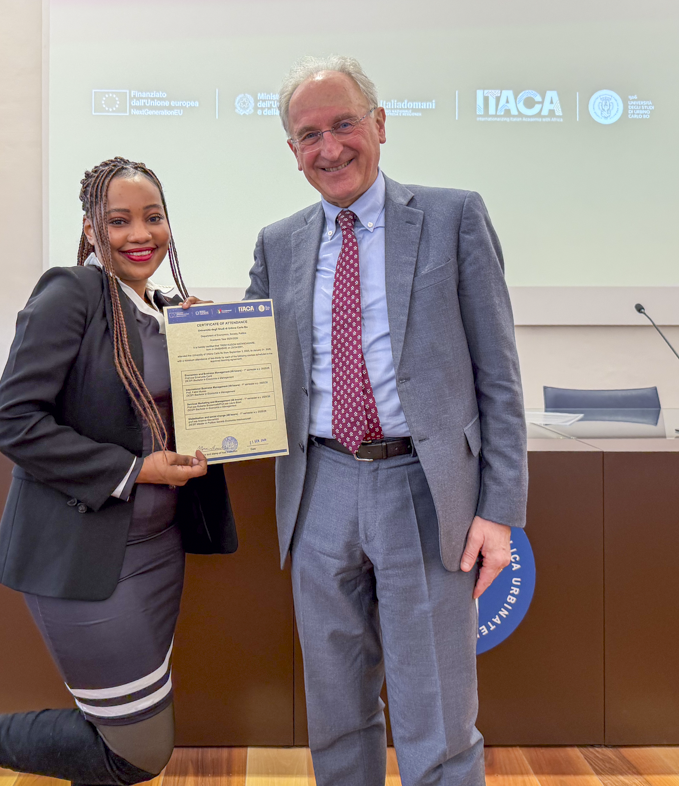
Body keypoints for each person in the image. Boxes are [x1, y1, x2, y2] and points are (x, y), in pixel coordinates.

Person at [0, 156, 236, 786]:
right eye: (119, 221)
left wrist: (204, 343)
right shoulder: (70, 293)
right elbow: (13, 421)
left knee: (115, 729)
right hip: (87, 561)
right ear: (91, 229)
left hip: (160, 551)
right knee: (138, 749)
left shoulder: (159, 309)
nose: (140, 234)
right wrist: (136, 469)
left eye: (153, 217)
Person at [245, 56, 528, 786]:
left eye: (344, 124)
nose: (330, 148)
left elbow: (498, 375)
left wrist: (500, 512)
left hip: (422, 488)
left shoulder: (453, 216)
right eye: (310, 135)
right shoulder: (277, 243)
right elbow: (251, 361)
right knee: (336, 709)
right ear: (292, 150)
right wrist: (195, 342)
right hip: (318, 486)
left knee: (437, 716)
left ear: (378, 123)